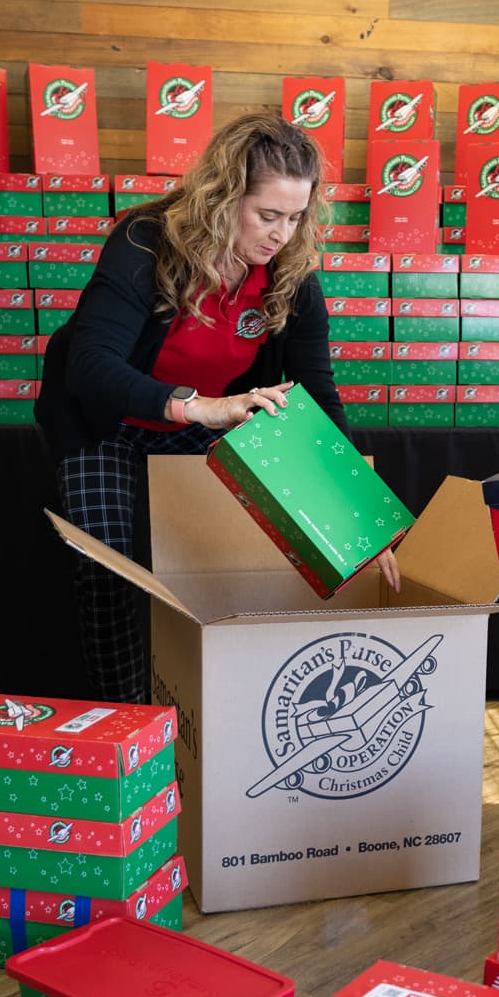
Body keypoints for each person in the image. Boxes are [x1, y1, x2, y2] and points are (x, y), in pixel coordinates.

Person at [36, 112, 398, 703]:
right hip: (109, 418)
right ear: (223, 197)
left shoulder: (291, 276)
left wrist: (358, 516)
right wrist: (198, 407)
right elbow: (91, 366)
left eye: (297, 217)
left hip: (210, 417)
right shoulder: (143, 241)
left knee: (234, 560)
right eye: (268, 215)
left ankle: (213, 710)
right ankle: (131, 720)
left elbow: (318, 394)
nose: (282, 234)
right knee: (107, 574)